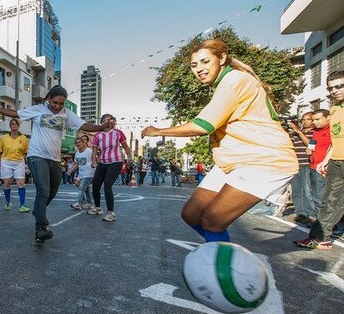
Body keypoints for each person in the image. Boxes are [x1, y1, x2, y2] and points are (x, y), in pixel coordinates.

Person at [141, 38, 298, 243]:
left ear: (222, 58)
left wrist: (158, 131)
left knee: (212, 221)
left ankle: (226, 269)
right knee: (191, 214)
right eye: (194, 65)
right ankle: (222, 254)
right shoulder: (225, 84)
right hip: (234, 161)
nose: (199, 69)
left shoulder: (234, 81)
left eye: (205, 62)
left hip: (263, 160)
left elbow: (203, 126)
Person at [0, 85, 108, 244]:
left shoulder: (67, 114)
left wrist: (101, 127)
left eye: (61, 104)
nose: (57, 106)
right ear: (49, 99)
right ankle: (40, 228)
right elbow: (15, 113)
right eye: (55, 102)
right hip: (36, 156)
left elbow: (84, 126)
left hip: (55, 159)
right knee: (43, 190)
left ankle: (38, 211)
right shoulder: (38, 109)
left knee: (51, 192)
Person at [294, 71, 344, 250]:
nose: (335, 91)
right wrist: (325, 160)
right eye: (331, 88)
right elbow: (336, 139)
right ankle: (320, 237)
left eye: (340, 86)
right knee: (329, 201)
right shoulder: (335, 110)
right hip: (336, 161)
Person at [89, 114, 133, 222]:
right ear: (102, 122)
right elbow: (94, 150)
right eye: (106, 119)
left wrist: (130, 157)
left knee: (107, 185)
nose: (109, 121)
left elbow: (126, 147)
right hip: (103, 162)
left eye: (111, 119)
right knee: (95, 186)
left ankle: (110, 213)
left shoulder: (118, 133)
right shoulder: (98, 135)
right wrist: (94, 161)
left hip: (116, 161)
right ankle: (98, 208)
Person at [286, 112, 316, 225]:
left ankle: (311, 215)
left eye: (308, 119)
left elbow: (309, 144)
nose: (305, 122)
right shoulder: (296, 133)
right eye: (303, 119)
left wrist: (298, 131)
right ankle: (300, 213)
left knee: (307, 191)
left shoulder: (314, 132)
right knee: (297, 190)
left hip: (306, 164)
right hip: (295, 164)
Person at [0, 117, 30, 212]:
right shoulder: (4, 138)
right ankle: (8, 202)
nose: (14, 126)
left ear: (18, 126)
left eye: (16, 124)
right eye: (12, 124)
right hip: (6, 162)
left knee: (21, 183)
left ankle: (22, 205)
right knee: (7, 183)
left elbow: (26, 153)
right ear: (10, 126)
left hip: (19, 162)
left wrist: (28, 165)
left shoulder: (23, 138)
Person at [71, 135, 95, 210]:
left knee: (82, 187)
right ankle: (90, 203)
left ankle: (78, 203)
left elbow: (95, 159)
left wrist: (94, 164)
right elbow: (76, 164)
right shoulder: (77, 154)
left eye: (79, 142)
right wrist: (71, 170)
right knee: (81, 186)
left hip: (89, 172)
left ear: (83, 143)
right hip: (81, 173)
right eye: (76, 143)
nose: (78, 144)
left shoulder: (89, 151)